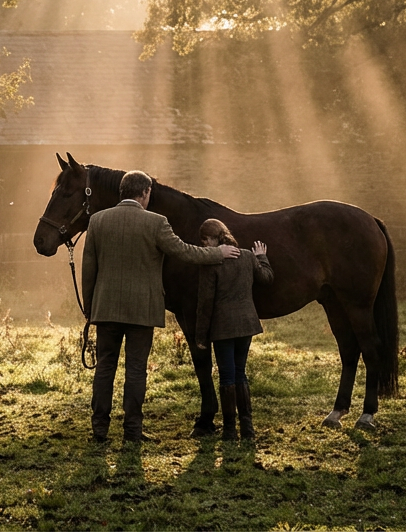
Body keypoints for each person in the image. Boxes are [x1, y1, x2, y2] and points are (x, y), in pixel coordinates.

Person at [81, 170, 241, 443]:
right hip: (142, 310)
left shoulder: (96, 221)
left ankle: (99, 431)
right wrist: (218, 253)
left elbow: (88, 270)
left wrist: (89, 309)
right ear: (144, 193)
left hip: (105, 309)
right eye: (148, 195)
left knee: (105, 368)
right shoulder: (156, 223)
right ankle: (132, 431)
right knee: (135, 369)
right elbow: (185, 252)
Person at [193, 218, 273, 441]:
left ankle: (230, 430)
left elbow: (205, 303)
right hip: (246, 324)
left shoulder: (210, 264)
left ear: (214, 238)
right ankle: (247, 428)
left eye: (205, 240)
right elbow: (267, 278)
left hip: (223, 328)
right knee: (240, 373)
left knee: (227, 375)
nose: (204, 246)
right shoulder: (247, 256)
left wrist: (200, 336)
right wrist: (262, 257)